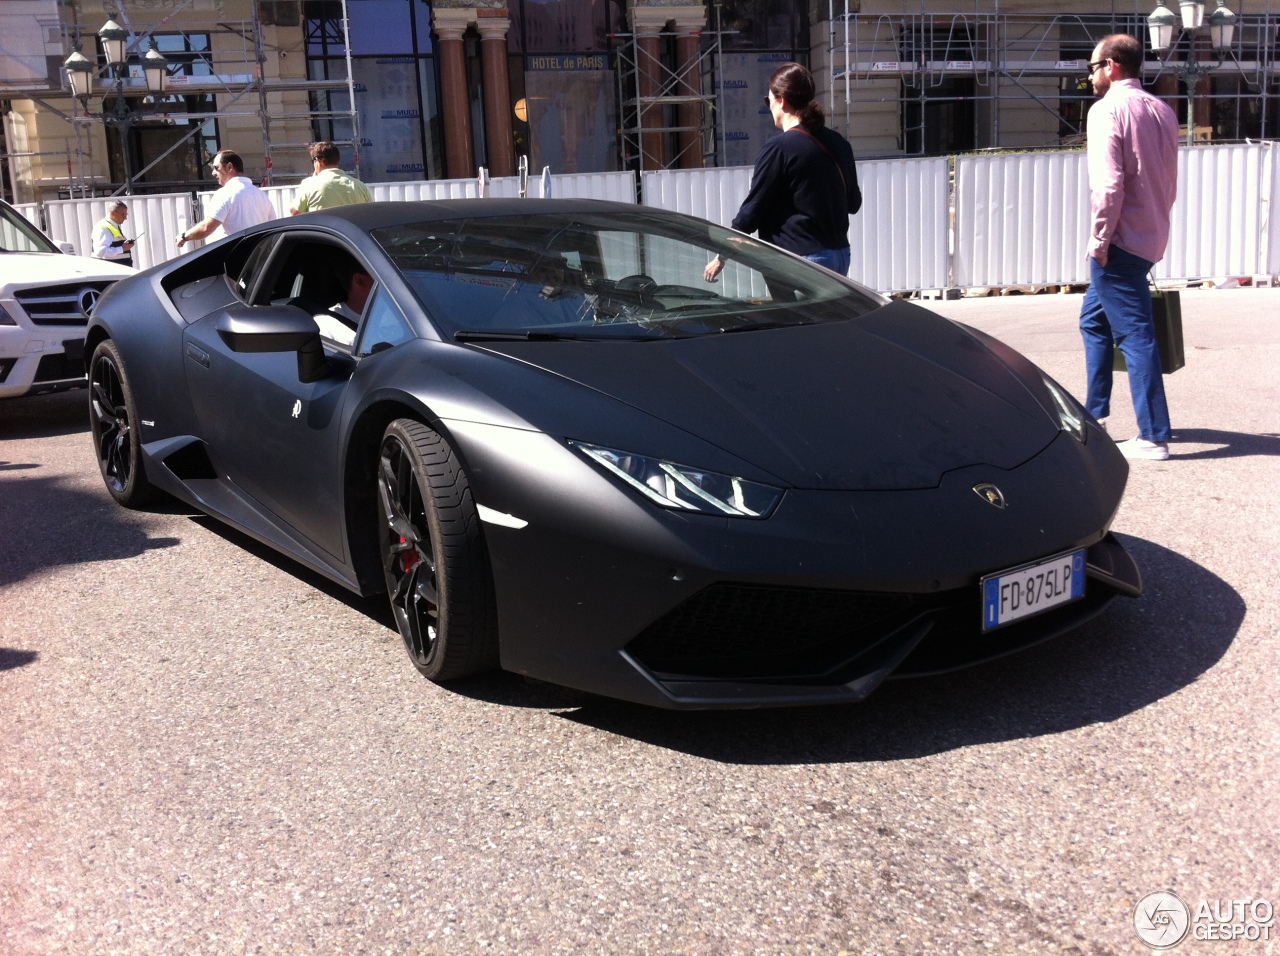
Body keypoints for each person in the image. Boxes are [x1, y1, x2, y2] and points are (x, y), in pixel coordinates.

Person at [1079, 34, 1180, 461]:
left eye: (1092, 67)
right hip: (1148, 236)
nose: (1090, 76)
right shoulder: (1163, 110)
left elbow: (1108, 184)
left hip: (1118, 242)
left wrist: (1100, 241)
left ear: (1112, 66)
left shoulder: (1107, 110)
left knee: (1136, 334)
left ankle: (1153, 434)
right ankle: (1095, 414)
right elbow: (1167, 180)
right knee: (1093, 321)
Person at [705, 62, 860, 281]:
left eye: (769, 100)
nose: (768, 107)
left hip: (801, 261)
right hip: (840, 255)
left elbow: (752, 212)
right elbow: (854, 204)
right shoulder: (839, 143)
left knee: (801, 317)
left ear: (782, 101)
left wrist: (721, 256)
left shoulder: (780, 148)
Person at [176, 150, 276, 249]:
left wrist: (184, 236)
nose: (213, 173)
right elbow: (272, 229)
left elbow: (206, 228)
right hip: (258, 258)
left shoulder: (225, 193)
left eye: (216, 168)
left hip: (234, 257)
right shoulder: (262, 195)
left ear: (229, 167)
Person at [290, 141, 372, 215]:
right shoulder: (360, 186)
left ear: (318, 161)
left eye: (313, 161)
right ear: (338, 160)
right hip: (350, 231)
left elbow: (295, 213)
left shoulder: (309, 185)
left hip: (322, 231)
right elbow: (370, 213)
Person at [91, 200, 134, 267]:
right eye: (123, 215)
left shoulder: (113, 226)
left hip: (117, 272)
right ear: (113, 213)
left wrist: (124, 245)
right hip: (109, 273)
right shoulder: (103, 227)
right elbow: (100, 252)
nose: (125, 218)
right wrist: (122, 248)